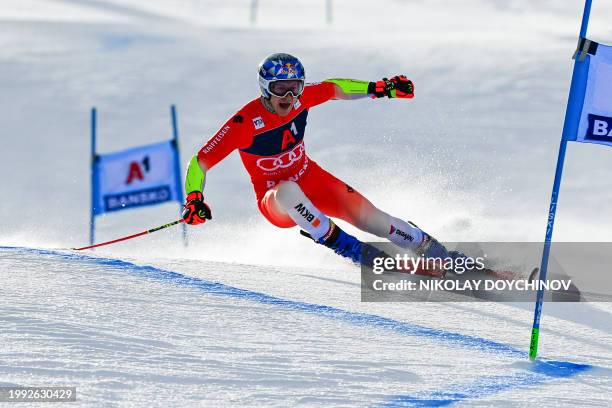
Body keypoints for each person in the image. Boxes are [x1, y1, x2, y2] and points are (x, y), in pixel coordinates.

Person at [181, 52, 461, 266]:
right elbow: (200, 162)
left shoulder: (302, 99)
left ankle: (435, 253)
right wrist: (194, 198)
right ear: (265, 88)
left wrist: (380, 88)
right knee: (288, 190)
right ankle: (351, 249)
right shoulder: (244, 122)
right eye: (281, 88)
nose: (290, 96)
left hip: (311, 179)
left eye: (296, 87)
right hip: (277, 202)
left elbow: (334, 88)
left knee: (374, 219)